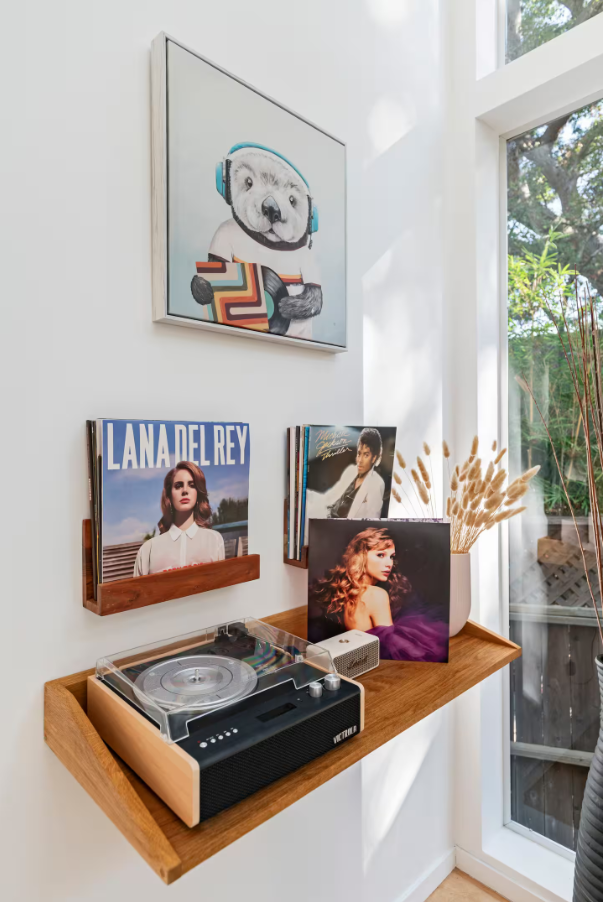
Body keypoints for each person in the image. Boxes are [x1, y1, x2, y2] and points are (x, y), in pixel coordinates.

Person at [309, 527, 448, 662]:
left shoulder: (349, 592)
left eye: (391, 557)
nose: (389, 564)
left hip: (357, 660)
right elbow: (390, 648)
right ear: (361, 557)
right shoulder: (377, 594)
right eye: (380, 555)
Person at [134, 461, 224, 576]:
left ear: (198, 494)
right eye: (178, 486)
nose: (185, 491)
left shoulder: (214, 540)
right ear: (169, 496)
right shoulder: (148, 550)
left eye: (192, 485)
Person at [306, 428, 386, 524]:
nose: (359, 460)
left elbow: (368, 521)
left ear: (374, 457)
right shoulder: (351, 471)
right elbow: (328, 499)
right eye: (359, 454)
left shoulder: (376, 483)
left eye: (366, 455)